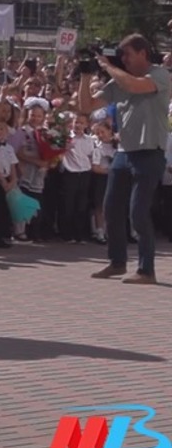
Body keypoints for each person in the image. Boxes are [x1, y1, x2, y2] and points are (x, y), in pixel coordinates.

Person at [79, 34, 171, 285]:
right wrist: (86, 74)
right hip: (124, 152)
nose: (123, 59)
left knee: (138, 212)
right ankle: (117, 262)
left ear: (143, 52)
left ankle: (146, 270)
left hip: (150, 152)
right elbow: (87, 107)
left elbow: (135, 86)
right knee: (111, 209)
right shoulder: (118, 82)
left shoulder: (160, 74)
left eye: (127, 54)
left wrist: (108, 66)